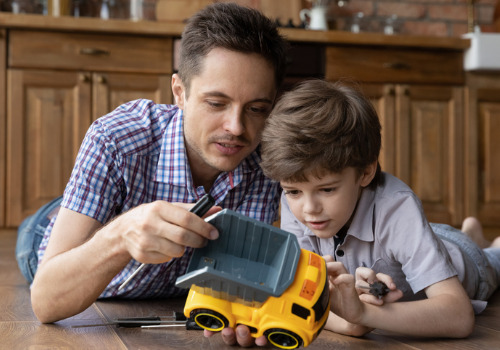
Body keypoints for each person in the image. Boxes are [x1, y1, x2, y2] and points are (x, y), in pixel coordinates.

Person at [20, 3, 288, 346]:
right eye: (216, 103)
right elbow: (45, 301)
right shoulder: (116, 139)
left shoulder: (267, 155)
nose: (236, 128)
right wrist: (120, 235)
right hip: (51, 238)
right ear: (179, 92)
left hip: (169, 289)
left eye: (256, 109)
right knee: (46, 230)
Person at [260, 79, 500, 338]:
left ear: (365, 172)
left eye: (327, 189)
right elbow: (302, 299)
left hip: (462, 260)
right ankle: (471, 233)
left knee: (491, 261)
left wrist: (362, 315)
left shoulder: (396, 206)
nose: (309, 210)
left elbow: (458, 316)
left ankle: (486, 246)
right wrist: (352, 322)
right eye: (293, 191)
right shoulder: (295, 200)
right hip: (421, 237)